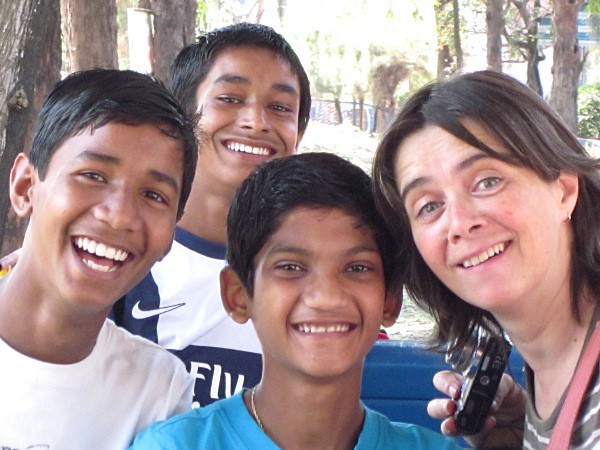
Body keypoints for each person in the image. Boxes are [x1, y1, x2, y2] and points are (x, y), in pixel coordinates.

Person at [129, 152, 462, 449]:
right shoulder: (173, 445)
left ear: (390, 299)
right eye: (290, 267)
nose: (325, 297)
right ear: (237, 295)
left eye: (357, 268)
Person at [372, 69, 600, 449]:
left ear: (563, 190)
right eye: (429, 206)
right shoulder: (548, 376)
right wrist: (525, 433)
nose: (459, 223)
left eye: (487, 182)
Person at [109, 23, 311, 408]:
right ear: (183, 118)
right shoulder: (124, 256)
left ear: (298, 135)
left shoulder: (313, 273)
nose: (256, 122)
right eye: (230, 98)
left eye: (280, 108)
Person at [0, 68, 198, 449]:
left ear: (171, 235)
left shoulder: (158, 393)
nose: (120, 215)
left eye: (154, 196)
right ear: (26, 186)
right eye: (92, 175)